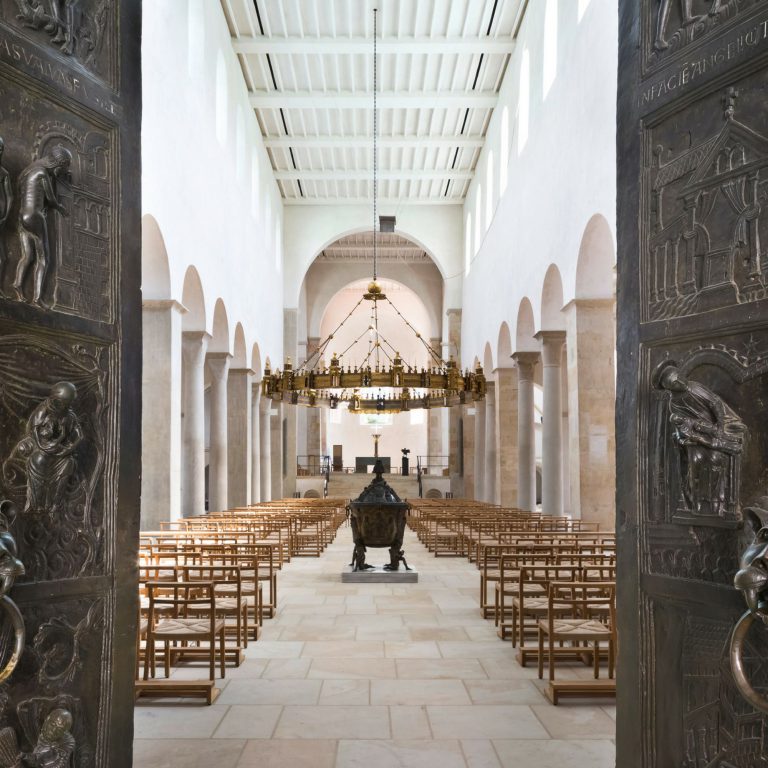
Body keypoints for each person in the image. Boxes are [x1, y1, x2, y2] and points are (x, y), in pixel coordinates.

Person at [657, 362, 745, 517]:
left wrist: (718, 425)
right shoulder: (674, 403)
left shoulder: (694, 387)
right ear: (669, 388)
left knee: (716, 459)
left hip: (719, 424)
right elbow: (682, 428)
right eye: (674, 382)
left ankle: (718, 503)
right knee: (695, 461)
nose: (680, 382)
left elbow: (715, 403)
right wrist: (688, 435)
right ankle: (698, 503)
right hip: (699, 437)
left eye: (679, 378)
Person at [9, 382, 83, 516]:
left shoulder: (69, 415)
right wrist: (45, 446)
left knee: (68, 464)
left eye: (69, 403)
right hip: (41, 449)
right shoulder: (43, 410)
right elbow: (35, 431)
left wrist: (69, 448)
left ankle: (55, 506)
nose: (67, 405)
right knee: (38, 461)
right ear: (56, 400)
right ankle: (35, 505)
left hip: (59, 454)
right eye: (65, 402)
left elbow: (79, 435)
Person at [13, 146, 71, 309]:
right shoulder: (42, 173)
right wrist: (61, 208)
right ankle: (37, 298)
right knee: (44, 259)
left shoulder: (28, 173)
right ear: (58, 164)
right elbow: (51, 199)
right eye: (64, 168)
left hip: (22, 215)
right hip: (35, 216)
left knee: (28, 255)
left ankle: (18, 284)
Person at [0, 138, 13, 288]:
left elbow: (10, 196)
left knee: (3, 259)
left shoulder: (4, 173)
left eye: (1, 149)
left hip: (1, 220)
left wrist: (6, 216)